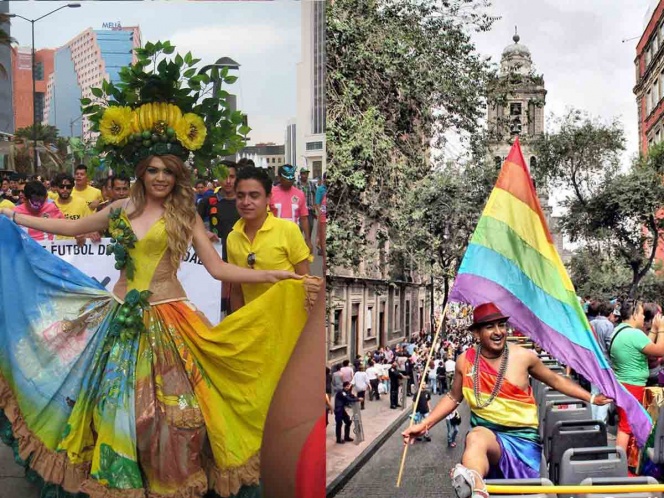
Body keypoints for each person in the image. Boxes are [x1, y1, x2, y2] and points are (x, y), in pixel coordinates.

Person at [0, 44, 321, 498]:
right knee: (116, 409)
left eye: (167, 171)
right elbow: (66, 227)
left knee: (176, 416)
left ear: (177, 175)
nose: (160, 178)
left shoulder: (184, 216)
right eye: (152, 170)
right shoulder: (118, 210)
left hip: (173, 320)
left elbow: (217, 269)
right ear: (140, 172)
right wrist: (15, 218)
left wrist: (275, 277)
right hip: (117, 318)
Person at [402, 302, 612, 498]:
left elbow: (555, 379)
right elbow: (453, 397)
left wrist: (591, 397)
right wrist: (424, 424)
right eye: (490, 327)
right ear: (476, 333)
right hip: (487, 438)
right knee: (475, 437)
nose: (498, 332)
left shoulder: (524, 357)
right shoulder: (464, 361)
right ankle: (474, 486)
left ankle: (471, 478)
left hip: (522, 440)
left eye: (501, 325)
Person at [226, 166, 313, 311]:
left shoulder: (288, 230)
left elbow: (306, 283)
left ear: (268, 198)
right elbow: (236, 289)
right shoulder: (233, 237)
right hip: (252, 324)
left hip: (287, 323)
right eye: (240, 196)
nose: (246, 202)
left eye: (254, 196)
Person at [609, 299, 664, 452]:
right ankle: (619, 463)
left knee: (628, 424)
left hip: (623, 383)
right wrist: (661, 329)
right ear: (633, 315)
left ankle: (627, 460)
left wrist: (653, 328)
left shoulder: (619, 331)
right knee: (626, 427)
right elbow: (659, 351)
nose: (643, 318)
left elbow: (646, 347)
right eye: (640, 314)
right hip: (632, 385)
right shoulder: (634, 334)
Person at [269, 165, 312, 253]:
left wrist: (307, 240)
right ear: (280, 177)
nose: (290, 180)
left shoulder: (300, 194)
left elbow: (304, 218)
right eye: (287, 177)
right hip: (274, 238)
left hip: (294, 238)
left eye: (292, 177)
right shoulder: (270, 193)